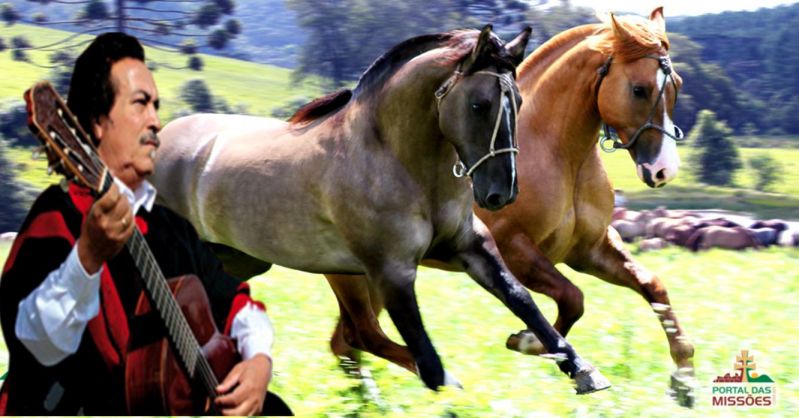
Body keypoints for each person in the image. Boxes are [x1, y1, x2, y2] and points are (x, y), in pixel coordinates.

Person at [0, 33, 279, 415]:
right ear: (97, 122)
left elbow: (236, 301)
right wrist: (87, 257)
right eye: (140, 104)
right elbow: (34, 348)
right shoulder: (56, 219)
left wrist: (259, 359)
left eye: (156, 106)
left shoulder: (170, 226)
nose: (156, 122)